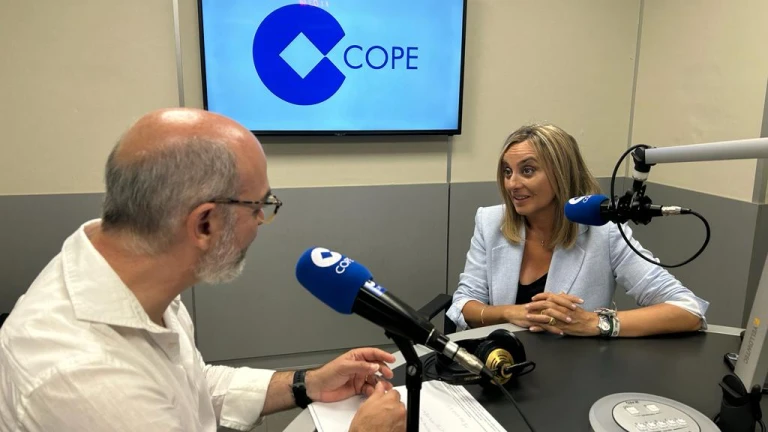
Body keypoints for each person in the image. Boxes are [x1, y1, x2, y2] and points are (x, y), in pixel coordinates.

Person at [0, 108, 406, 432]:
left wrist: (307, 383)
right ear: (205, 223)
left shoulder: (127, 276)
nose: (262, 222)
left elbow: (191, 387)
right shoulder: (88, 379)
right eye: (259, 207)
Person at [446, 123, 709, 337]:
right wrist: (510, 313)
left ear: (562, 174)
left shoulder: (604, 232)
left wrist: (595, 322)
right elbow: (463, 303)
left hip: (575, 369)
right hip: (503, 364)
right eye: (507, 171)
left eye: (527, 170)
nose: (512, 184)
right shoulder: (491, 221)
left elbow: (688, 310)